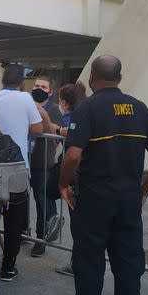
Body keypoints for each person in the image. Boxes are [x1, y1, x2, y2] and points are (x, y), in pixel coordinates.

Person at [52, 55, 148, 295]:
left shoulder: (87, 109)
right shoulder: (138, 107)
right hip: (128, 204)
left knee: (89, 271)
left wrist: (62, 184)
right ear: (120, 76)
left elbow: (73, 155)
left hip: (93, 203)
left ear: (92, 78)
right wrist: (143, 190)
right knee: (128, 273)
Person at [0, 64, 51, 281]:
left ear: (3, 79)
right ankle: (8, 267)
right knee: (14, 220)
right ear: (21, 82)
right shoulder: (25, 99)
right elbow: (37, 129)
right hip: (17, 168)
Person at [54, 81, 89, 276]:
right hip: (90, 177)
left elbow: (73, 152)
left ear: (66, 102)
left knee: (78, 224)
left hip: (77, 179)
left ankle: (78, 264)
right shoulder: (88, 111)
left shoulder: (72, 117)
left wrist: (63, 183)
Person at [29, 74, 64, 257]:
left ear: (50, 92)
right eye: (37, 86)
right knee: (24, 199)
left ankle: (41, 239)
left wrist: (43, 116)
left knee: (43, 200)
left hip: (43, 163)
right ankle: (24, 233)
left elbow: (55, 139)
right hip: (25, 161)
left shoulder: (53, 109)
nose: (39, 89)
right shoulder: (26, 103)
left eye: (43, 87)